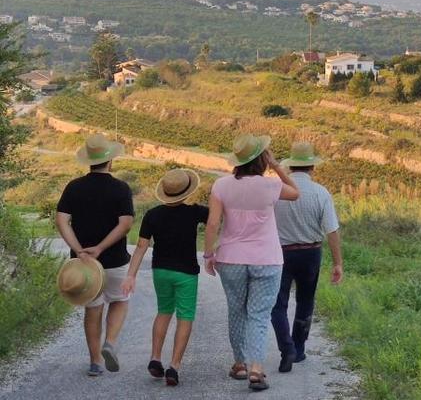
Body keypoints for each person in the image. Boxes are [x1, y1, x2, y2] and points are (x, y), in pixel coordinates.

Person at [204, 134, 300, 392]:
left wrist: (208, 254)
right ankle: (257, 368)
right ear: (262, 160)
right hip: (267, 259)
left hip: (231, 258)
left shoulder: (221, 185)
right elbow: (295, 193)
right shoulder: (270, 186)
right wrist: (277, 166)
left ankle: (239, 365)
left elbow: (213, 223)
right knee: (259, 315)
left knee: (237, 311)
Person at [56, 134, 135, 377]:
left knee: (93, 309)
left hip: (84, 265)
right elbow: (125, 224)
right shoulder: (121, 188)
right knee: (120, 301)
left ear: (88, 161)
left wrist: (79, 249)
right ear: (110, 161)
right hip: (114, 260)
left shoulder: (74, 187)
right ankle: (110, 342)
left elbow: (61, 220)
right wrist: (101, 247)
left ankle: (95, 362)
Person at [122, 168, 206, 387]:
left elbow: (141, 246)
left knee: (164, 312)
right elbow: (218, 217)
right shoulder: (195, 212)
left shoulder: (152, 214)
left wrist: (131, 275)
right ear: (187, 192)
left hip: (161, 271)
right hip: (186, 273)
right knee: (185, 317)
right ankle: (174, 367)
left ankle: (155, 357)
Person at [271, 142, 343, 373]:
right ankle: (299, 348)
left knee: (277, 304)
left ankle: (286, 348)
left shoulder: (277, 190)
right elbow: (331, 230)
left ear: (291, 166)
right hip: (311, 252)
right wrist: (338, 263)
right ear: (312, 167)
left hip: (280, 253)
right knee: (305, 301)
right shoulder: (321, 193)